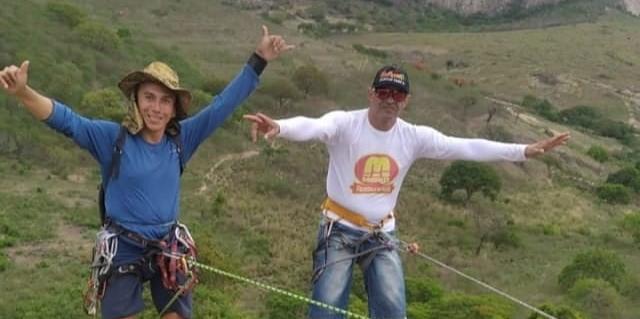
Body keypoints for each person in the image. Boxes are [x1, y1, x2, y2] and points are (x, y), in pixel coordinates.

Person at [0, 26, 292, 319]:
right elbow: (66, 120)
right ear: (136, 100)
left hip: (168, 247)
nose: (156, 107)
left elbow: (222, 106)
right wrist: (23, 92)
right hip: (122, 248)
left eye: (165, 100)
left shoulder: (181, 140)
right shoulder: (111, 139)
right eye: (149, 97)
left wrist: (259, 59)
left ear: (174, 108)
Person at [243, 65, 570, 319]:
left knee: (392, 309)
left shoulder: (413, 136)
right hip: (338, 230)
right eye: (383, 91)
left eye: (397, 95)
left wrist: (523, 151)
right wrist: (281, 127)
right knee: (326, 309)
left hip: (382, 232)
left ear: (406, 101)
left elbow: (467, 146)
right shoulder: (346, 124)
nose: (389, 99)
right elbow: (314, 125)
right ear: (370, 93)